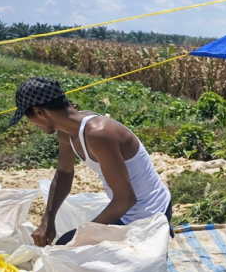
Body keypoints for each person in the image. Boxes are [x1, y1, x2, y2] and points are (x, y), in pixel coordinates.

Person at [10, 77, 172, 246]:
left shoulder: (99, 134)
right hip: (126, 210)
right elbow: (64, 173)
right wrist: (48, 219)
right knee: (69, 249)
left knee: (66, 247)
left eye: (28, 118)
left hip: (150, 214)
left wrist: (85, 233)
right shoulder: (67, 132)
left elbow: (126, 198)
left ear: (39, 112)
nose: (33, 124)